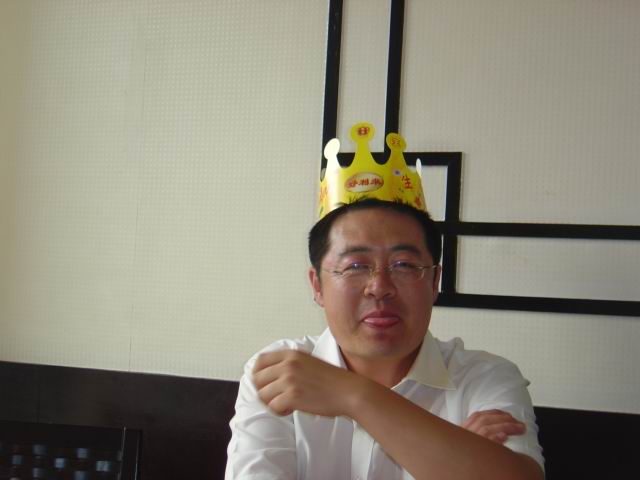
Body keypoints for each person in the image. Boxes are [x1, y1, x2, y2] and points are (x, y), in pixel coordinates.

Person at [226, 124, 544, 479]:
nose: (379, 287)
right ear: (317, 285)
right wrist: (454, 458)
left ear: (435, 282)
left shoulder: (484, 378)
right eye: (355, 266)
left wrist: (353, 396)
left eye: (404, 265)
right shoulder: (279, 374)